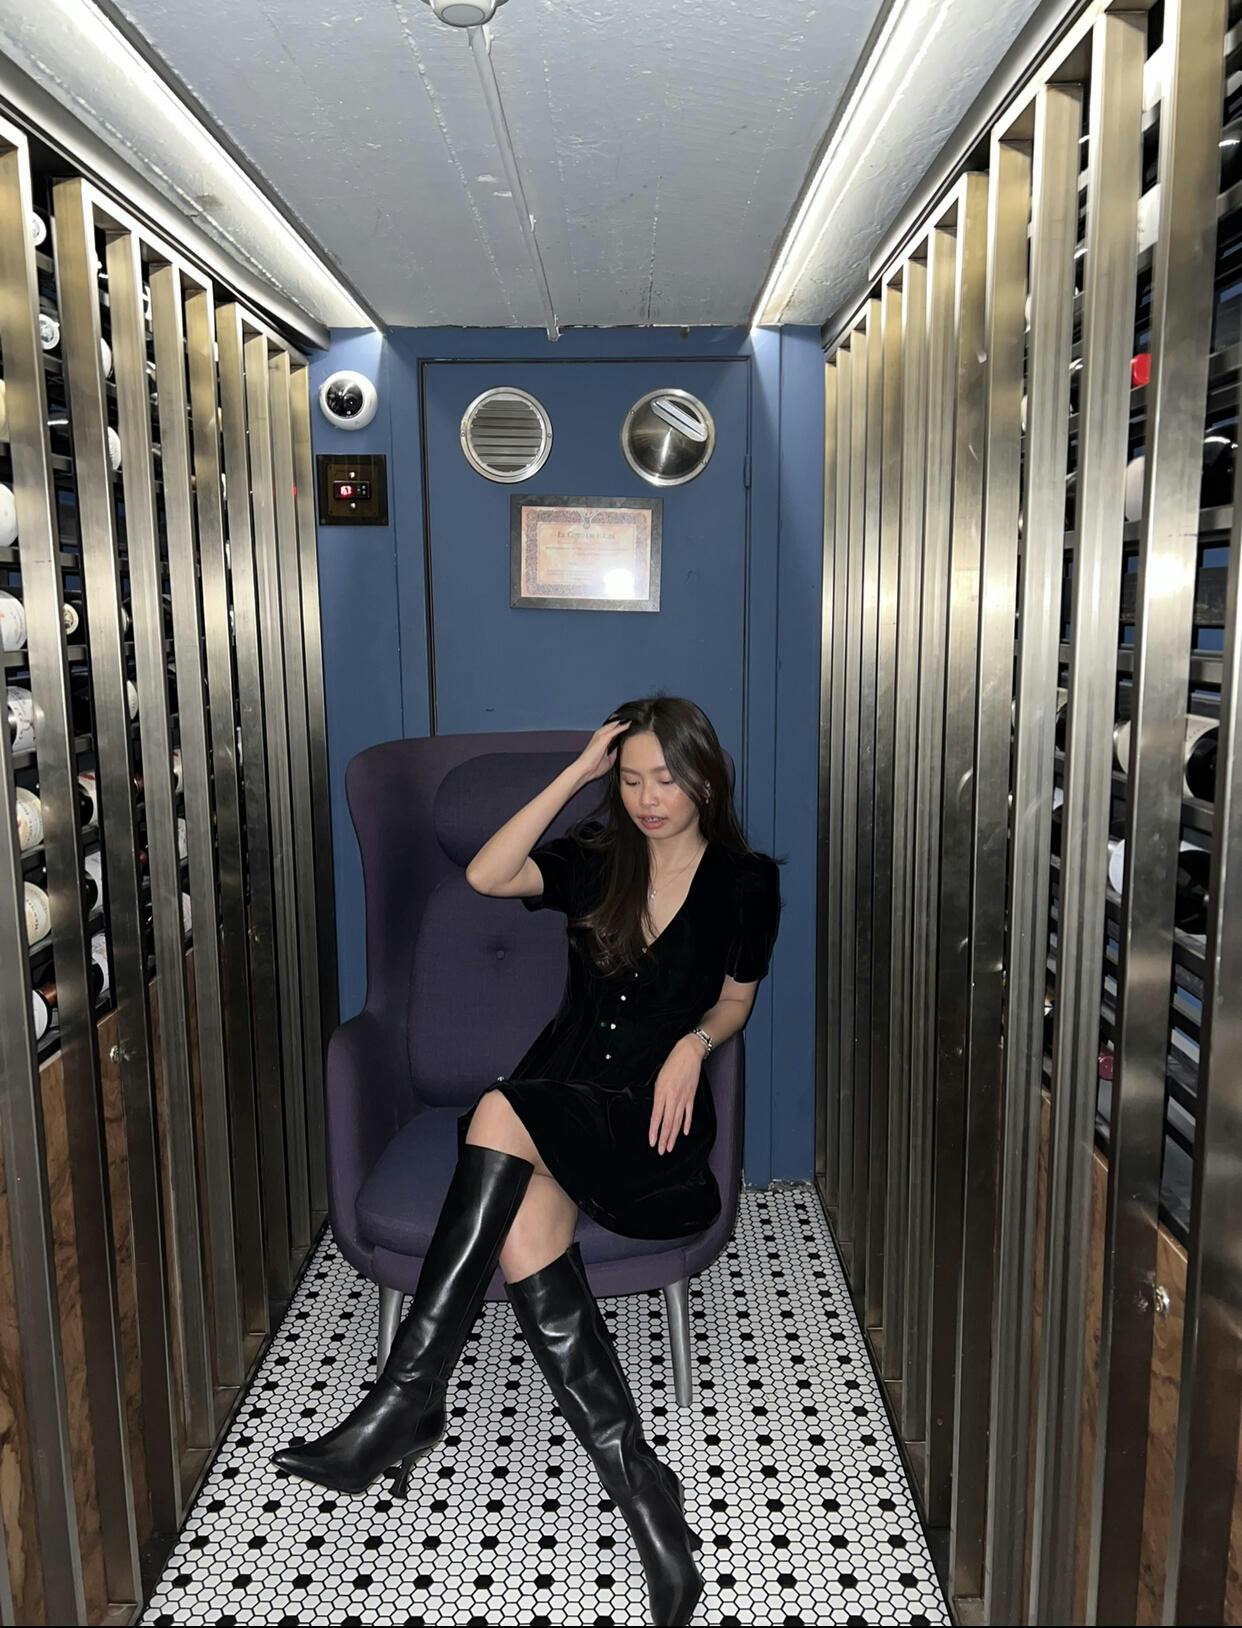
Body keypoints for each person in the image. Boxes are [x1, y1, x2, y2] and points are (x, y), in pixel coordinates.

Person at [274, 696, 784, 1627]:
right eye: (632, 780)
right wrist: (578, 773)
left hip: (650, 1127)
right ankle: (647, 1500)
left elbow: (737, 1000)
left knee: (500, 1111)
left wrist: (696, 1043)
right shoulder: (598, 856)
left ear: (706, 782)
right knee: (520, 1220)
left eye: (666, 780)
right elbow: (487, 871)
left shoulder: (745, 883)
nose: (648, 799)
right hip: (561, 1097)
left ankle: (406, 1403)